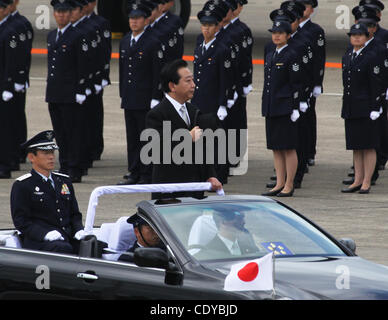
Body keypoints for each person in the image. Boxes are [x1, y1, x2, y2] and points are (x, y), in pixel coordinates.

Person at [146, 59, 223, 199]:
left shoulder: (193, 111)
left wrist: (210, 175)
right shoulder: (157, 114)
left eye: (193, 80)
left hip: (194, 189)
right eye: (188, 81)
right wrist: (187, 137)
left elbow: (203, 149)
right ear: (172, 86)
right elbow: (154, 150)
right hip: (169, 191)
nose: (193, 85)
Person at [10, 131, 86, 254]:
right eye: (45, 153)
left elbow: (75, 214)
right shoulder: (23, 185)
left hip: (66, 237)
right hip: (40, 241)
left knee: (95, 245)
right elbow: (21, 221)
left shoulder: (63, 180)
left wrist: (78, 230)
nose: (51, 157)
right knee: (62, 248)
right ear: (31, 157)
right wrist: (44, 234)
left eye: (52, 152)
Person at [117, 1, 164, 186]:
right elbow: (123, 70)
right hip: (130, 97)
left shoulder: (153, 41)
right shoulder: (126, 40)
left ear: (145, 20)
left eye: (137, 19)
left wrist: (155, 97)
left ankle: (147, 173)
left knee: (146, 137)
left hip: (146, 99)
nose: (134, 22)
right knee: (133, 138)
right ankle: (134, 170)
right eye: (131, 19)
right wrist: (123, 93)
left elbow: (157, 72)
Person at [46, 0, 90, 183]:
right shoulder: (51, 36)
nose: (61, 15)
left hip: (71, 93)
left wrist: (81, 89)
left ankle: (75, 167)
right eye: (58, 12)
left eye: (65, 12)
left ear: (70, 14)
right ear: (54, 14)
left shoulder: (77, 35)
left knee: (73, 132)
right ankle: (64, 165)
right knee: (60, 132)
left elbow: (83, 65)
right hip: (55, 92)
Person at [261, 20, 302, 197]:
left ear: (288, 35)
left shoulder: (291, 55)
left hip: (285, 107)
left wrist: (295, 107)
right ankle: (279, 182)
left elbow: (297, 83)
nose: (276, 35)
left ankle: (289, 184)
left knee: (288, 147)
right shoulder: (271, 54)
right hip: (272, 106)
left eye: (280, 32)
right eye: (274, 32)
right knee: (276, 147)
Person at [341, 23, 383, 194]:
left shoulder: (371, 56)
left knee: (368, 145)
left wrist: (376, 106)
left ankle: (366, 181)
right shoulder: (348, 56)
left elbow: (377, 83)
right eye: (353, 35)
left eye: (360, 35)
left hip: (366, 107)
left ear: (367, 37)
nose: (356, 38)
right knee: (356, 146)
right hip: (351, 106)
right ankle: (357, 179)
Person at [294, 0, 326, 167]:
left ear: (312, 9)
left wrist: (317, 83)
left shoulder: (315, 31)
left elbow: (319, 58)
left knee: (307, 119)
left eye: (305, 6)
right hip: (294, 83)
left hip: (308, 82)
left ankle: (309, 152)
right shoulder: (290, 29)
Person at [0, 0, 19, 179]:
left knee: (4, 128)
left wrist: (8, 86)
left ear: (6, 10)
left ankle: (5, 164)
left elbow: (12, 62)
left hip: (4, 88)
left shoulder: (9, 31)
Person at [193, 209, 260, 260]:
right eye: (239, 219)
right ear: (223, 222)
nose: (244, 222)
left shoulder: (248, 244)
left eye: (243, 218)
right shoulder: (207, 253)